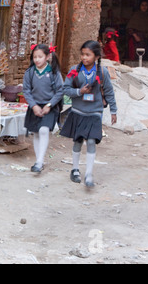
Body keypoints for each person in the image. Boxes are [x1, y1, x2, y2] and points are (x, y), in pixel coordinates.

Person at [60, 40, 117, 188]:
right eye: (82, 54)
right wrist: (80, 91)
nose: (84, 58)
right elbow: (65, 89)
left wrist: (113, 110)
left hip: (95, 112)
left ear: (96, 56)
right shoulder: (74, 70)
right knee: (78, 141)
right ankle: (75, 169)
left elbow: (109, 92)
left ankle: (89, 174)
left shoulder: (103, 72)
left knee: (91, 141)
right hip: (78, 111)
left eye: (88, 55)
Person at [22, 44, 64, 173]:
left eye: (40, 57)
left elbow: (60, 90)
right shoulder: (30, 72)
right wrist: (33, 105)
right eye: (35, 57)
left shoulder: (53, 72)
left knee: (44, 130)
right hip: (34, 105)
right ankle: (38, 160)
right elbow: (26, 90)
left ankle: (39, 161)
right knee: (36, 132)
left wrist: (49, 105)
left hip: (49, 106)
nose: (37, 60)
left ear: (47, 56)